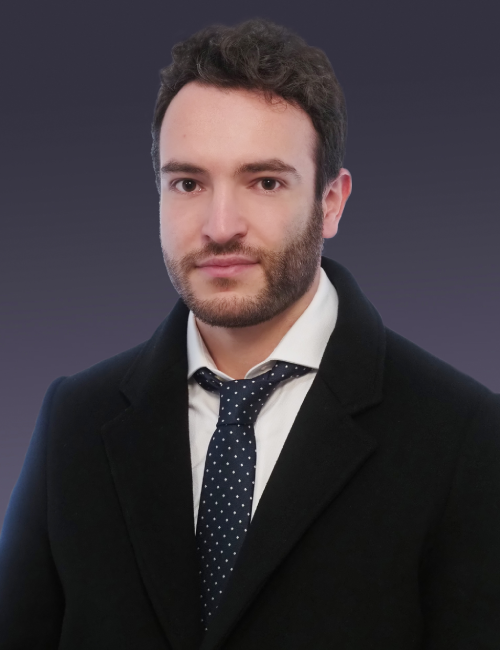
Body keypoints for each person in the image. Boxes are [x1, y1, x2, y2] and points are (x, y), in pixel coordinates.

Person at [1, 17, 499, 650]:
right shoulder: (74, 420)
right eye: (188, 183)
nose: (220, 225)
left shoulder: (465, 437)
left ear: (331, 202)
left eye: (265, 182)